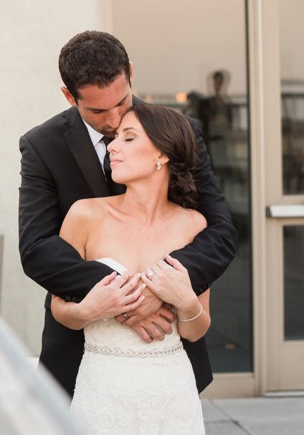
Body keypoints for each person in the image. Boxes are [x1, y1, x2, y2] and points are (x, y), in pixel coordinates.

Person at [18, 30, 237, 396]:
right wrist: (127, 294)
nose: (115, 119)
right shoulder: (42, 146)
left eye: (122, 101)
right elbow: (37, 248)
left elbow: (220, 232)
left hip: (168, 349)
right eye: (98, 111)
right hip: (82, 351)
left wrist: (161, 288)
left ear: (130, 74)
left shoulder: (179, 132)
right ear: (69, 96)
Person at [52, 103, 209, 434]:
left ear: (162, 154)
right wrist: (89, 310)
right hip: (102, 391)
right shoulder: (84, 216)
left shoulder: (194, 225)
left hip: (172, 394)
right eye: (115, 138)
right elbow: (58, 308)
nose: (112, 146)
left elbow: (196, 329)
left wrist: (185, 301)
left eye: (128, 137)